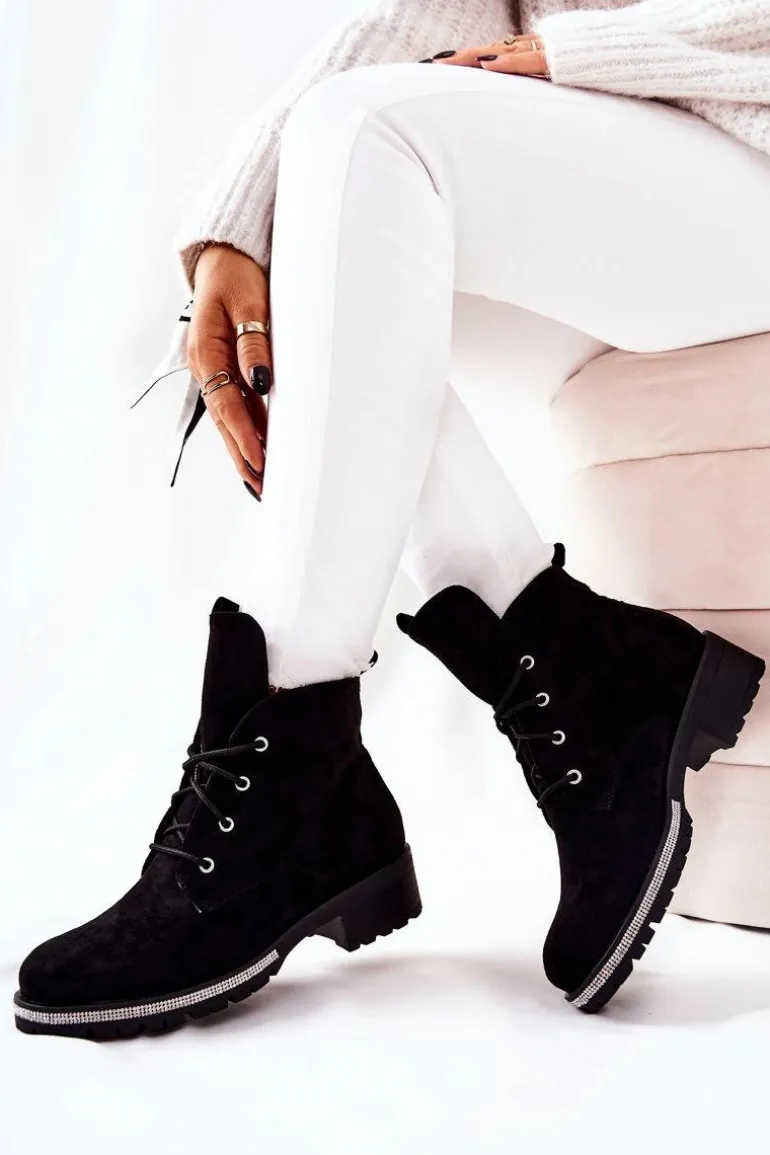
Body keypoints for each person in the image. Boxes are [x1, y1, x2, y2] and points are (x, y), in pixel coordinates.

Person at [14, 0, 770, 1039]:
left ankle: (296, 765)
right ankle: (572, 670)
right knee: (311, 243)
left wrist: (583, 51)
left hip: (741, 142)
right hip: (625, 182)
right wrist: (237, 227)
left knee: (368, 139)